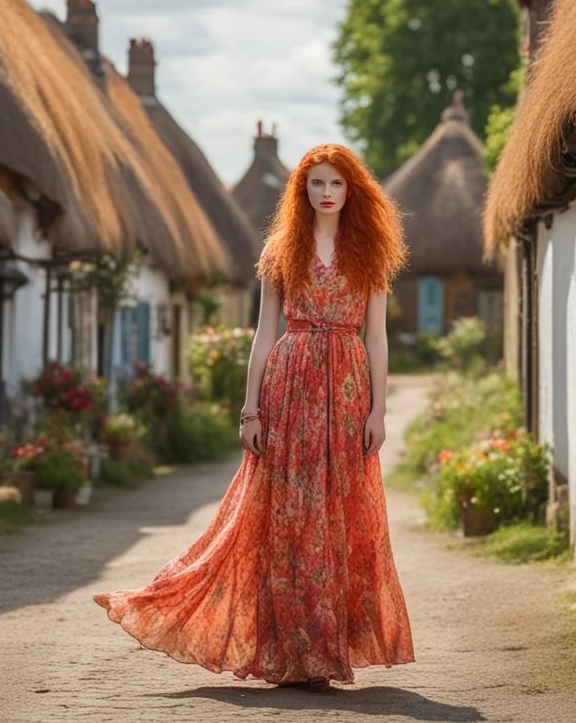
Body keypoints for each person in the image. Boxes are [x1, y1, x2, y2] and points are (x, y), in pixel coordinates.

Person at [94, 143, 414, 691]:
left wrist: (378, 410)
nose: (327, 192)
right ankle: (295, 650)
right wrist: (251, 409)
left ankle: (325, 646)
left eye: (336, 183)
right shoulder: (280, 250)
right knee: (289, 518)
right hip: (288, 387)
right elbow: (264, 335)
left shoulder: (372, 251)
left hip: (346, 388)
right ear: (302, 190)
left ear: (352, 188)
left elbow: (376, 337)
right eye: (317, 183)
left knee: (339, 519)